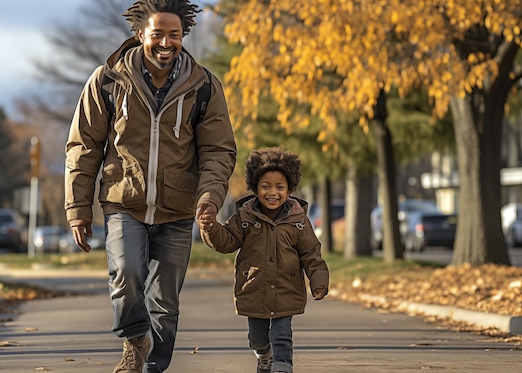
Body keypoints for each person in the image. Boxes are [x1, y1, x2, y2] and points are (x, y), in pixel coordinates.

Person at [64, 0, 237, 371]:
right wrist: (78, 210)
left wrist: (210, 196)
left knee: (165, 302)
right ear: (140, 33)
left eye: (174, 35)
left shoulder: (203, 86)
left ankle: (152, 367)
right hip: (123, 202)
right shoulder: (108, 81)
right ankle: (134, 340)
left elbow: (218, 150)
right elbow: (83, 147)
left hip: (178, 209)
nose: (165, 42)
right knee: (126, 272)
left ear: (183, 36)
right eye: (157, 34)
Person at [197, 147, 329, 373]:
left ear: (289, 190)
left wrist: (318, 282)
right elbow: (227, 241)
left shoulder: (298, 221)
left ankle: (282, 366)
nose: (273, 193)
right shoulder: (245, 217)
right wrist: (210, 228)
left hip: (287, 289)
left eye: (280, 187)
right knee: (257, 338)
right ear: (256, 188)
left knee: (282, 335)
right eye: (266, 186)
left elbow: (311, 254)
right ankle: (264, 355)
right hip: (254, 288)